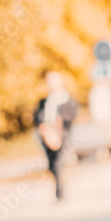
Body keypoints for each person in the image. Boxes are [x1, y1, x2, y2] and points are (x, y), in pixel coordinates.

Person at [33, 71, 79, 202]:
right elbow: (37, 117)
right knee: (52, 164)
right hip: (47, 136)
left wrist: (58, 125)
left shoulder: (68, 100)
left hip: (63, 136)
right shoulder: (44, 102)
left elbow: (70, 116)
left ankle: (60, 192)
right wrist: (45, 128)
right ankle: (59, 186)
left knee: (59, 162)